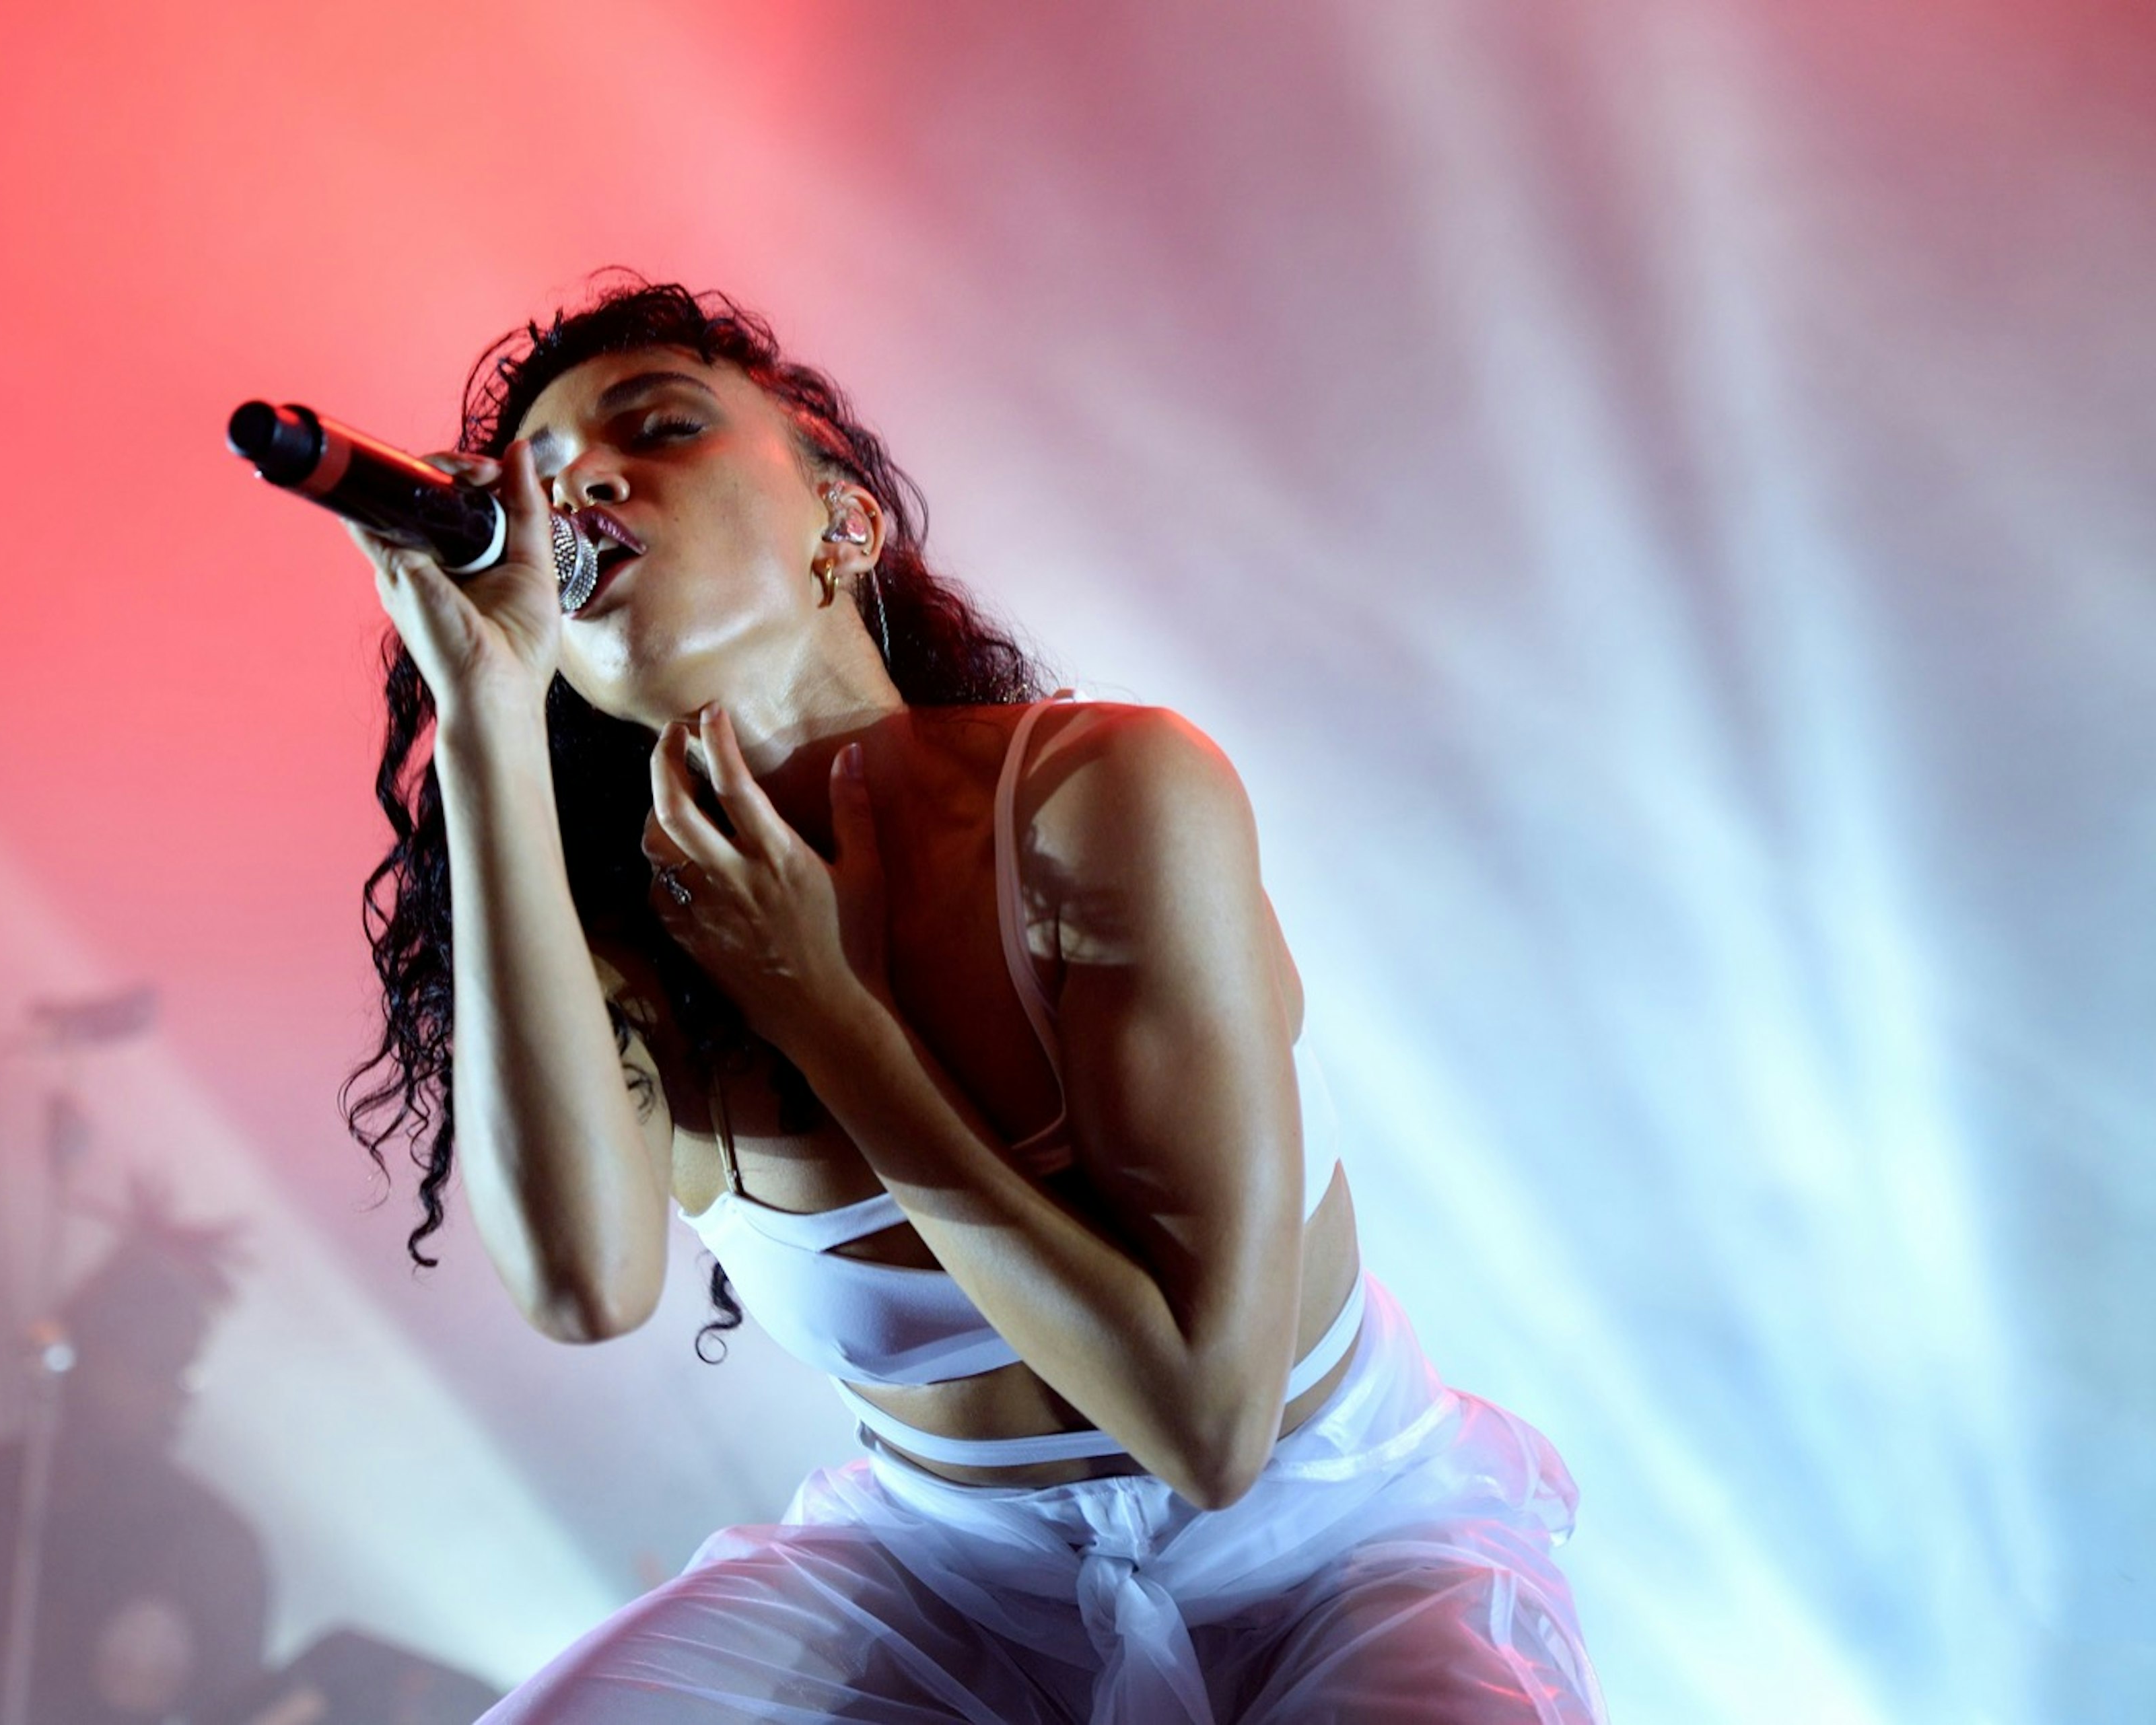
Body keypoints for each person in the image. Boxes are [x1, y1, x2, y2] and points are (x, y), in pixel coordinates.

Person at [344, 277, 1604, 1723]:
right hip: (944, 1575)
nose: (590, 487)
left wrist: (824, 1008)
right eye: (547, 482)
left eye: (661, 429)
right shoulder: (631, 948)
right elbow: (581, 1285)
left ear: (844, 522)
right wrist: (486, 715)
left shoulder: (1103, 793)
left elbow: (1206, 1421)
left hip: (1334, 1547)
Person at [0, 1196, 270, 1725]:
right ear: (79, 1356)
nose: (173, 1395)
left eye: (183, 1370)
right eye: (151, 1365)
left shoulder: (219, 1550)